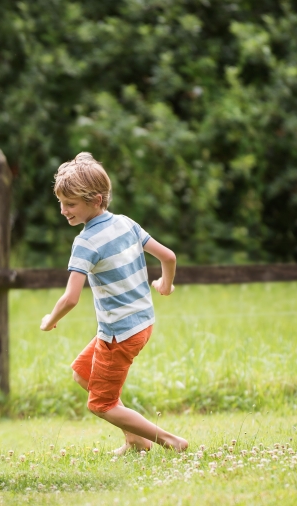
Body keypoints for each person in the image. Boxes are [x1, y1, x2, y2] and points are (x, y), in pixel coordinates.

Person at [39, 152, 188, 455]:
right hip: (141, 323)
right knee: (83, 373)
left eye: (70, 204)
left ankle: (171, 442)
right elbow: (168, 256)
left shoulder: (85, 243)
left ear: (95, 199)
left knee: (101, 404)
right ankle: (135, 439)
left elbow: (70, 297)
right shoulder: (126, 224)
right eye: (61, 203)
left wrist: (51, 318)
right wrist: (165, 284)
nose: (63, 210)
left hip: (119, 333)